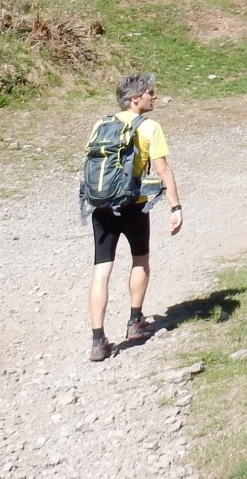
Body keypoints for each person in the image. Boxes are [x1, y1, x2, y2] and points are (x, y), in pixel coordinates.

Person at [86, 72, 183, 362]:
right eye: (150, 92)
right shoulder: (150, 127)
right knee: (140, 259)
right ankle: (134, 321)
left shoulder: (101, 124)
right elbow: (162, 169)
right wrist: (175, 206)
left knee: (101, 269)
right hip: (134, 204)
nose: (155, 96)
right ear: (134, 99)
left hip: (101, 206)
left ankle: (97, 339)